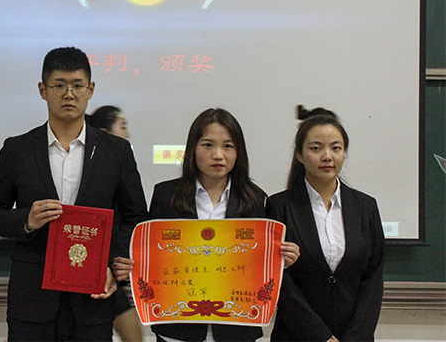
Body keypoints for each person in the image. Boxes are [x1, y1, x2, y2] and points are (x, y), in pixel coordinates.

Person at [0, 46, 149, 342]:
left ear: (91, 90)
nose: (69, 95)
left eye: (77, 86)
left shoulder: (116, 152)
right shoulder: (17, 149)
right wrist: (26, 220)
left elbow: (136, 217)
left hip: (93, 298)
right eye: (59, 86)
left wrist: (114, 262)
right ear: (43, 90)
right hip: (32, 298)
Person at [113, 108, 299, 342]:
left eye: (228, 146)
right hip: (178, 328)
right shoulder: (166, 195)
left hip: (236, 329)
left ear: (239, 152)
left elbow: (259, 263)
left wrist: (282, 260)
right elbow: (152, 255)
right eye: (208, 145)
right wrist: (129, 266)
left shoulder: (256, 200)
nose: (218, 155)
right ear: (193, 148)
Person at [267, 106, 385, 342]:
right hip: (296, 336)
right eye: (316, 148)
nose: (327, 156)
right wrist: (322, 337)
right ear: (299, 155)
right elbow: (281, 283)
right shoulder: (279, 206)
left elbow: (373, 280)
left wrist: (355, 337)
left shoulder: (366, 207)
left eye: (336, 148)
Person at [87, 105, 141, 342]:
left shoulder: (121, 166)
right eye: (122, 127)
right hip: (87, 266)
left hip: (109, 269)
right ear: (103, 133)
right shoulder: (93, 173)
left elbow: (134, 216)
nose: (127, 134)